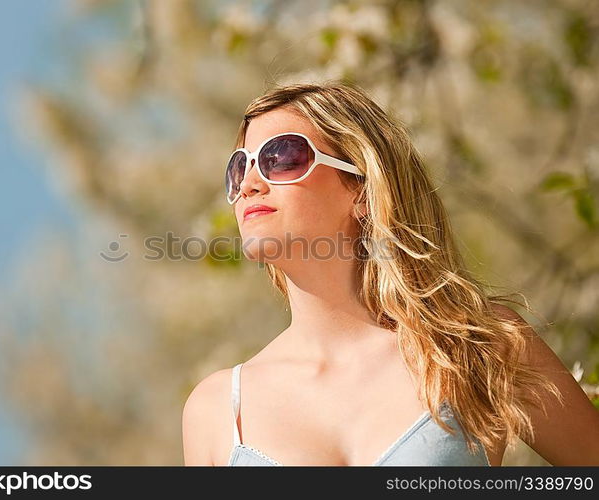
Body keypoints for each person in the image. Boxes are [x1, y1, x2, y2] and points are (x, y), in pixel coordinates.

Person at [182, 82, 599, 466]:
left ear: (362, 189)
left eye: (283, 157)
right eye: (240, 168)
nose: (251, 183)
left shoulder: (480, 346)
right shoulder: (217, 411)